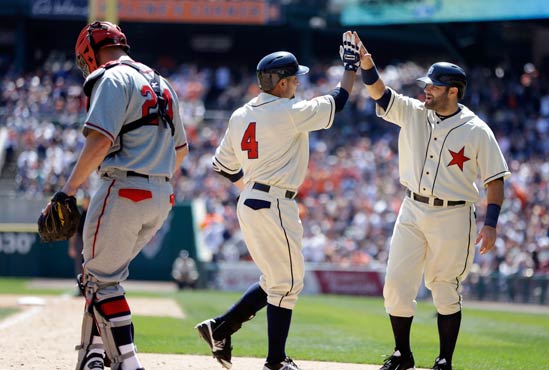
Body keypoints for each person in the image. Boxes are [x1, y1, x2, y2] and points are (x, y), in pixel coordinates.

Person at [195, 32, 360, 370]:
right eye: (294, 78)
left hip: (251, 199)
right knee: (288, 283)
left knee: (275, 281)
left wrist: (253, 184)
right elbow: (338, 100)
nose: (297, 82)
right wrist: (350, 68)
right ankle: (275, 361)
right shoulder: (290, 110)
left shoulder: (241, 114)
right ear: (282, 83)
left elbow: (222, 167)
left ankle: (222, 327)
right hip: (274, 203)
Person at [355, 34, 510, 370]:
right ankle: (402, 354)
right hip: (412, 208)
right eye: (427, 84)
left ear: (453, 91)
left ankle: (444, 360)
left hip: (453, 215)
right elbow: (379, 94)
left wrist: (490, 224)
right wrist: (367, 65)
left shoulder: (476, 130)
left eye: (434, 86)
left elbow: (494, 180)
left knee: (443, 288)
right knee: (395, 285)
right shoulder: (413, 111)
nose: (426, 90)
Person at [44, 21, 188, 370]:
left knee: (100, 281)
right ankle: (92, 354)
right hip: (160, 195)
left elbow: (100, 140)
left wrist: (68, 190)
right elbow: (181, 150)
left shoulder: (111, 77)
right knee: (102, 276)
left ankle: (128, 361)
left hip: (123, 188)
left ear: (91, 51)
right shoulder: (162, 82)